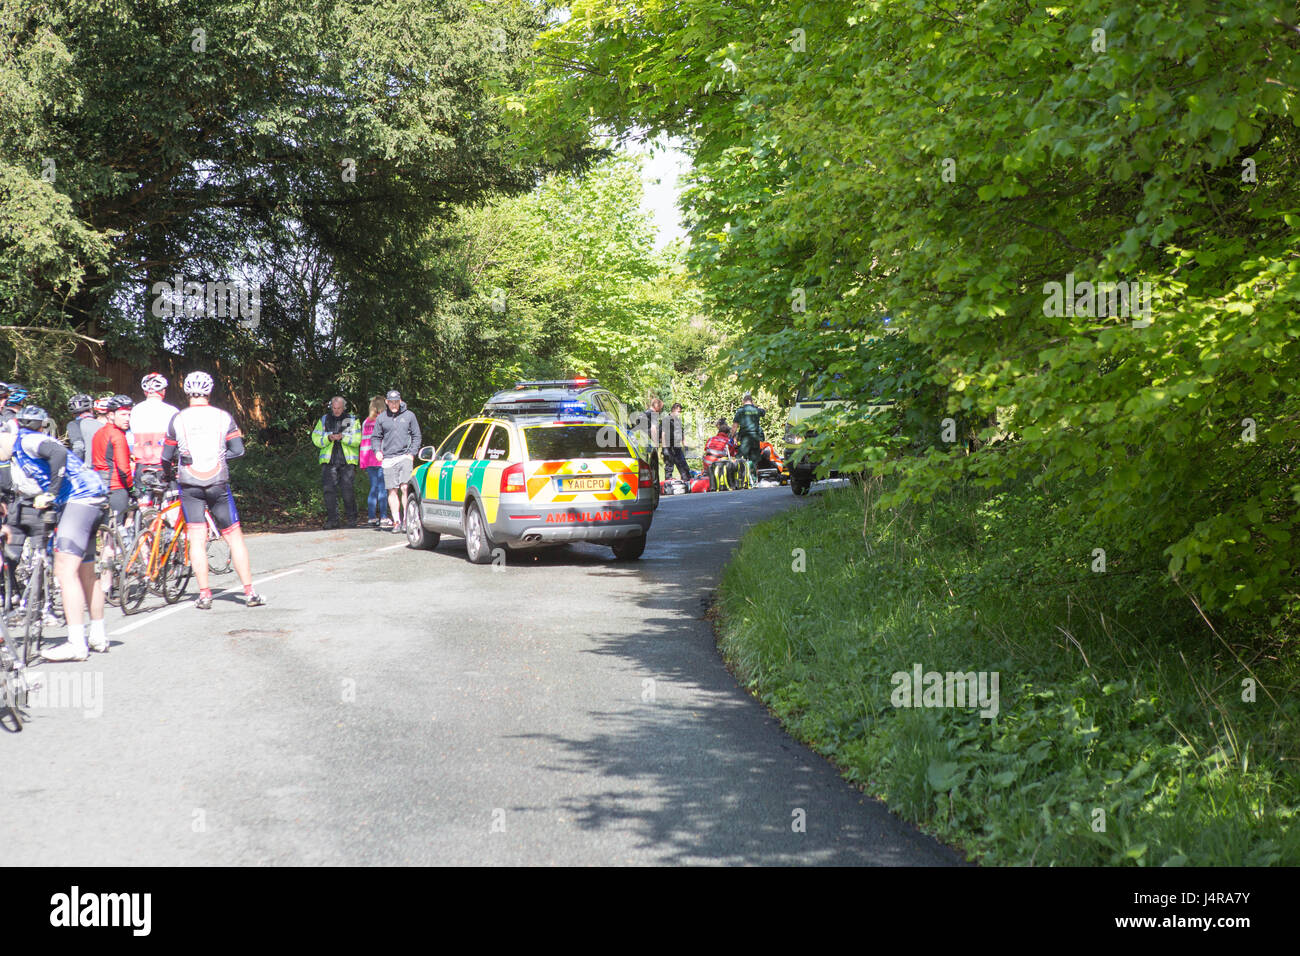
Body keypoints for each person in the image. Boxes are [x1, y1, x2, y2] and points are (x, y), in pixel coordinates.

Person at [0, 413, 109, 661]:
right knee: (86, 572)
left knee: (64, 570)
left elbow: (57, 454)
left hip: (80, 499)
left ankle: (75, 643)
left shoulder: (26, 441)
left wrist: (51, 493)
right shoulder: (18, 449)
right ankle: (98, 636)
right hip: (93, 499)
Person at [160, 371, 264, 610]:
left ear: (187, 392)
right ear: (209, 391)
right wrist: (220, 457)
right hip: (218, 483)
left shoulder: (178, 419)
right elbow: (238, 450)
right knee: (234, 537)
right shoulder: (223, 416)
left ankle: (205, 595)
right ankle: (249, 592)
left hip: (189, 484)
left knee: (196, 539)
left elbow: (165, 457)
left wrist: (168, 474)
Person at [370, 389, 421, 534]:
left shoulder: (409, 415)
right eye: (391, 402)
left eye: (396, 402)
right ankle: (397, 521)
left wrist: (411, 454)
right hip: (388, 458)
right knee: (392, 490)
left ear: (400, 401)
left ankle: (407, 520)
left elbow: (417, 436)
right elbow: (375, 437)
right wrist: (377, 451)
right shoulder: (382, 418)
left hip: (405, 456)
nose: (394, 404)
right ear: (386, 402)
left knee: (405, 487)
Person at [311, 396, 361, 529]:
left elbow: (357, 439)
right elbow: (315, 438)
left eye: (339, 408)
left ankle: (352, 519)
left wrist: (343, 437)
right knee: (329, 492)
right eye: (334, 408)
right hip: (329, 461)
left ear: (344, 407)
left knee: (347, 491)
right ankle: (332, 520)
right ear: (330, 407)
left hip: (347, 461)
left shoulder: (351, 420)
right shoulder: (324, 419)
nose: (336, 410)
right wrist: (328, 438)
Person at [129, 371, 179, 491]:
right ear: (163, 391)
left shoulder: (135, 410)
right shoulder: (172, 411)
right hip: (164, 465)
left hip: (141, 464)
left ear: (145, 392)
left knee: (143, 503)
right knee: (170, 503)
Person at [359, 396, 386, 527]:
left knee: (373, 488)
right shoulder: (383, 421)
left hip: (369, 459)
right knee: (383, 489)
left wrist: (362, 461)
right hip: (381, 458)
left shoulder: (365, 422)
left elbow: (363, 443)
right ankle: (384, 516)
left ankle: (371, 517)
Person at [732, 393, 766, 484]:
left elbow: (735, 425)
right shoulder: (756, 410)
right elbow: (763, 412)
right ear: (752, 401)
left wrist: (732, 436)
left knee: (739, 458)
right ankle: (754, 480)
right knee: (754, 460)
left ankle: (740, 479)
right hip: (755, 438)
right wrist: (755, 407)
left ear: (743, 401)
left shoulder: (740, 411)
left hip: (745, 438)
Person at [662, 402, 691, 485]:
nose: (679, 413)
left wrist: (684, 443)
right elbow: (663, 433)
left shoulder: (678, 420)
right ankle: (668, 483)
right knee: (669, 465)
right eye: (678, 411)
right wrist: (664, 448)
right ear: (673, 410)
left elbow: (681, 432)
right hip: (668, 446)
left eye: (680, 412)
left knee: (682, 463)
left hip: (677, 445)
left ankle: (687, 480)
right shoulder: (666, 420)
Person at [65, 394, 100, 459]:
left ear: (73, 414)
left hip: (87, 465)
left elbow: (79, 447)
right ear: (91, 410)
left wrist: (74, 465)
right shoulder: (100, 424)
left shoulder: (73, 425)